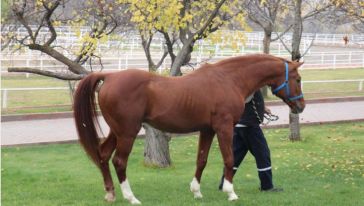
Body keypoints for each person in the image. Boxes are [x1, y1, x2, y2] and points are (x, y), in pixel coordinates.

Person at [219, 90, 283, 192]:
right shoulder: (248, 81)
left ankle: (224, 183)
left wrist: (262, 108)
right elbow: (245, 97)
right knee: (263, 154)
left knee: (235, 156)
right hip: (249, 126)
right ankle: (267, 187)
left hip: (241, 125)